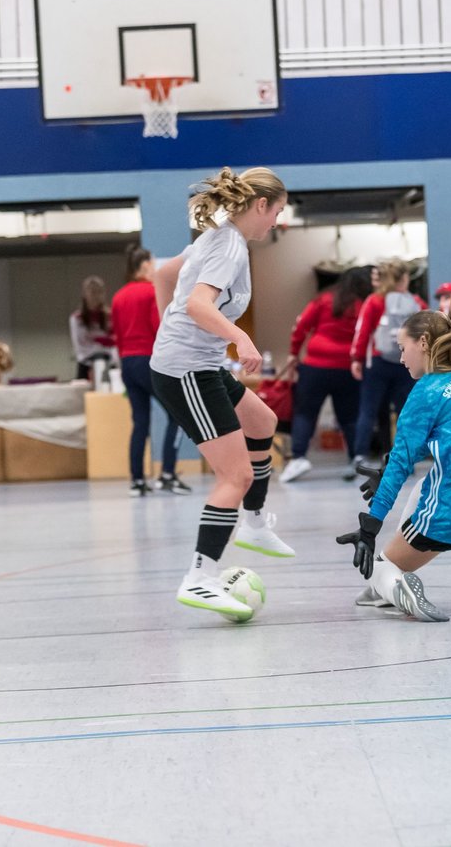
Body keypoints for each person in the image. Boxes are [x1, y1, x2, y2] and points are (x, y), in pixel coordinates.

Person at [149, 166, 295, 621]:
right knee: (235, 477)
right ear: (259, 206)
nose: (277, 222)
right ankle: (199, 576)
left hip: (199, 363)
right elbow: (195, 303)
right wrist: (241, 338)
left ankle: (253, 525)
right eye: (277, 213)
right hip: (187, 371)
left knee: (263, 422)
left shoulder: (216, 236)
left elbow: (162, 275)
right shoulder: (228, 246)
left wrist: (169, 333)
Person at [336, 310, 451, 622]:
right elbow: (435, 443)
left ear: (423, 343)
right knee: (427, 484)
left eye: (402, 348)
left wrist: (370, 527)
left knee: (383, 565)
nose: (400, 358)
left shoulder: (425, 392)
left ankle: (390, 581)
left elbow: (401, 462)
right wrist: (386, 471)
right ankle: (381, 587)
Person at [278, 267, 372, 483]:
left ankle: (299, 458)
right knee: (349, 417)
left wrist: (294, 353)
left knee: (305, 413)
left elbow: (300, 327)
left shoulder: (324, 300)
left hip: (315, 366)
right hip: (347, 368)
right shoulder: (364, 305)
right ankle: (355, 458)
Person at [111, 244, 188, 496]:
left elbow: (118, 336)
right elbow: (159, 329)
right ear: (144, 265)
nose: (155, 268)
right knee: (177, 415)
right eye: (152, 263)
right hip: (149, 360)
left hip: (128, 364)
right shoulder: (150, 292)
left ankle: (137, 480)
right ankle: (167, 474)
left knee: (140, 423)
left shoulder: (118, 297)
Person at [349, 260, 427, 466]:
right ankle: (405, 459)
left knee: (368, 409)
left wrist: (356, 358)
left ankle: (360, 456)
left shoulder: (375, 301)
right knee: (405, 412)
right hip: (406, 364)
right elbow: (429, 329)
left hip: (378, 361)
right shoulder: (417, 302)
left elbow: (362, 330)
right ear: (404, 278)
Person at [69, 275, 115, 381]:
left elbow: (115, 341)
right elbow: (80, 346)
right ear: (85, 294)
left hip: (107, 362)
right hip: (85, 364)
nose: (95, 296)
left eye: (99, 292)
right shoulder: (77, 318)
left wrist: (98, 342)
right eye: (92, 292)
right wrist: (102, 343)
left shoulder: (110, 316)